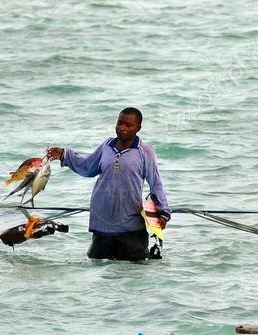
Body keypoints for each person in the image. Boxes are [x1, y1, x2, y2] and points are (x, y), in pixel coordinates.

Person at [46, 107, 170, 262]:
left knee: (134, 276)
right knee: (101, 275)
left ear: (138, 128)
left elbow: (156, 184)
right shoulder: (106, 146)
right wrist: (65, 155)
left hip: (131, 228)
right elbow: (87, 168)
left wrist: (164, 213)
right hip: (102, 226)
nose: (122, 128)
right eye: (119, 123)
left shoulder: (145, 152)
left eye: (128, 125)